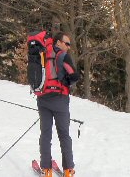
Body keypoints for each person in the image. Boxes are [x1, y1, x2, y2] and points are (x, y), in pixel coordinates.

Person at [38, 32, 79, 177]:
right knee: (64, 135)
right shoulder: (62, 56)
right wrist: (66, 83)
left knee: (46, 134)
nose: (68, 46)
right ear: (58, 42)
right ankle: (68, 170)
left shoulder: (41, 53)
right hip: (60, 100)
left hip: (42, 99)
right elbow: (74, 76)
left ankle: (46, 169)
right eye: (66, 43)